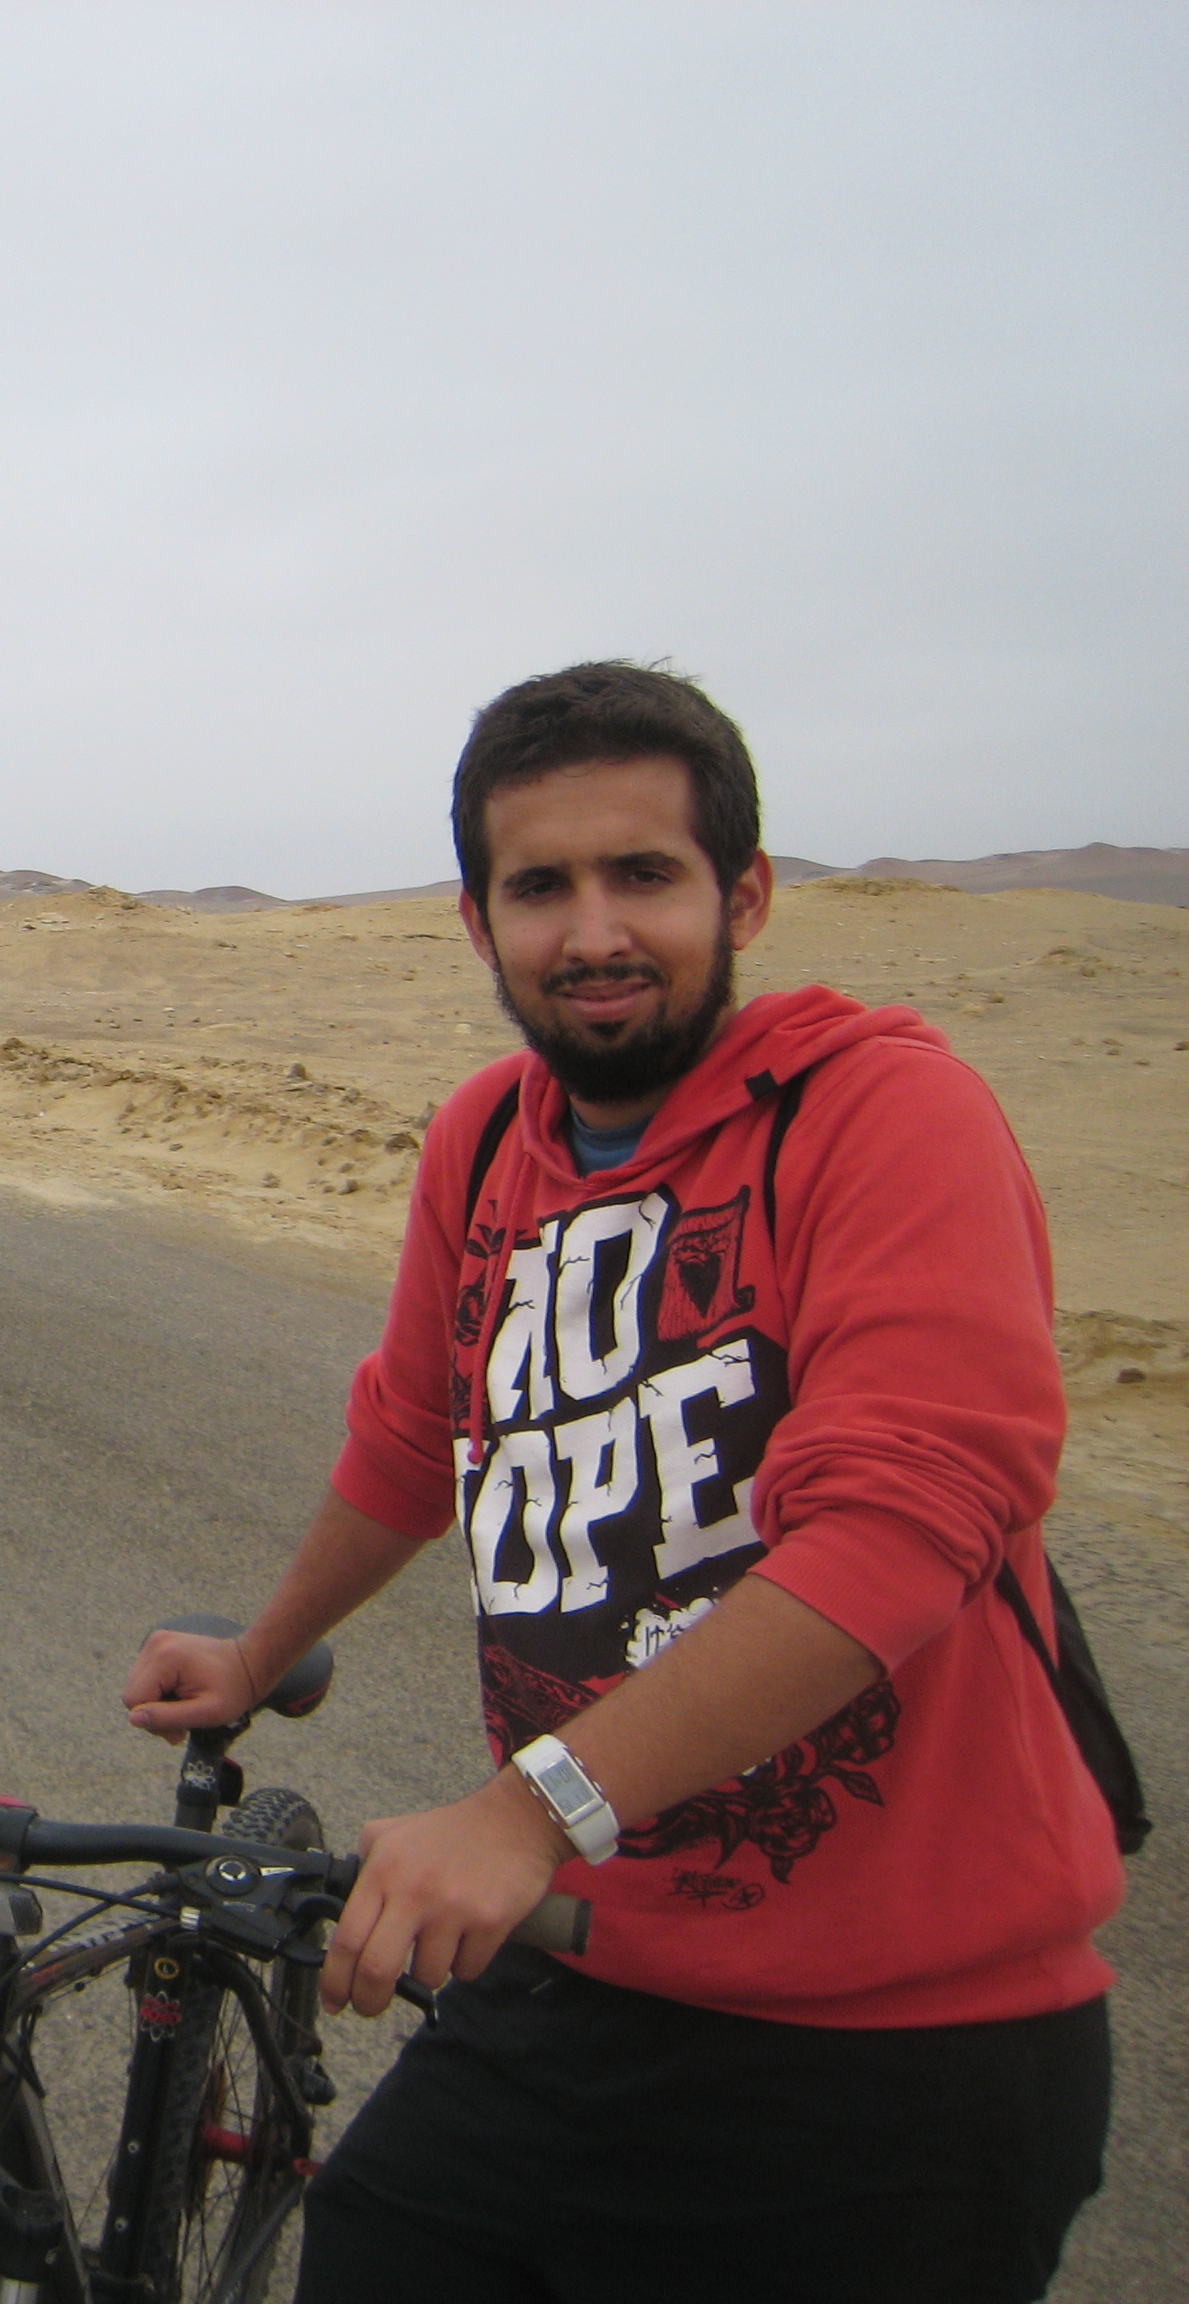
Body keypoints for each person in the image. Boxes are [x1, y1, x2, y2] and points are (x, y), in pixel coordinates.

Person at [125, 662, 1121, 2302]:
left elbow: (906, 1520)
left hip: (900, 2046)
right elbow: (414, 1433)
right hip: (587, 1961)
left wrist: (528, 1812)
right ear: (479, 920)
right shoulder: (487, 1140)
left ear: (746, 894)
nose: (594, 932)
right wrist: (258, 1650)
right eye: (542, 887)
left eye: (644, 874)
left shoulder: (882, 1113)